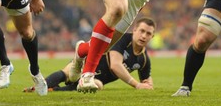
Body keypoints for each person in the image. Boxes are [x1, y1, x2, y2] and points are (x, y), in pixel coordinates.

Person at [23, 17, 155, 93]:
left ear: (152, 37)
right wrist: (137, 85)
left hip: (98, 80)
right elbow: (115, 65)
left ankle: (53, 91)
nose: (144, 36)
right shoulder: (122, 39)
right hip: (87, 63)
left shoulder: (143, 59)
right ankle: (38, 87)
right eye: (142, 31)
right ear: (135, 30)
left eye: (148, 33)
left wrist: (147, 85)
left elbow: (147, 80)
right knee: (68, 73)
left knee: (97, 86)